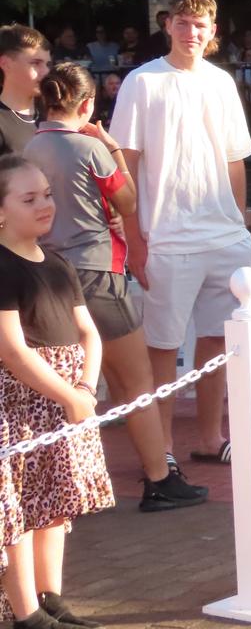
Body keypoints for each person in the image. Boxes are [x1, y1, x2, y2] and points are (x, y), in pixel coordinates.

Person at [26, 62, 208, 513]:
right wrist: (113, 149)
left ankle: (64, 488)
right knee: (137, 382)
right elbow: (126, 200)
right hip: (98, 273)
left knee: (69, 382)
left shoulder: (27, 149)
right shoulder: (90, 148)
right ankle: (160, 478)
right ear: (87, 105)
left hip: (45, 274)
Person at [110, 0, 251, 469]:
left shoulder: (221, 83)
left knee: (217, 342)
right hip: (166, 237)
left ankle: (211, 439)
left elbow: (235, 160)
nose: (190, 32)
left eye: (200, 24)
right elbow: (125, 163)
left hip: (224, 238)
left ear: (213, 31)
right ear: (167, 25)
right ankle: (164, 448)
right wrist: (134, 239)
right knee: (163, 349)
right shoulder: (142, 81)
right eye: (182, 22)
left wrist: (239, 223)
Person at [0, 154, 115, 628]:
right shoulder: (3, 267)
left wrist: (84, 385)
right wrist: (69, 397)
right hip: (21, 402)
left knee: (56, 503)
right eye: (29, 199)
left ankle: (53, 599)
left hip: (67, 396)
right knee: (20, 509)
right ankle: (26, 613)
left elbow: (88, 332)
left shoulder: (59, 263)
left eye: (47, 194)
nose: (44, 205)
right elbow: (12, 350)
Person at [0, 25, 50, 157]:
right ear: (6, 64)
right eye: (36, 63)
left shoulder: (54, 112)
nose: (46, 72)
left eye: (47, 64)